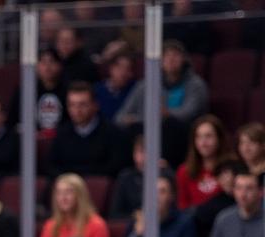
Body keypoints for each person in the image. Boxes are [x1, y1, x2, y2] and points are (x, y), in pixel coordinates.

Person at [116, 39, 208, 167]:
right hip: (147, 131)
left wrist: (167, 114)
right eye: (166, 55)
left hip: (181, 134)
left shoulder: (195, 84)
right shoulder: (145, 85)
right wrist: (135, 119)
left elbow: (190, 112)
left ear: (184, 59)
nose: (171, 59)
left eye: (175, 55)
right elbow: (120, 117)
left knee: (170, 125)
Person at [47, 81, 128, 181]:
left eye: (82, 104)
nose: (77, 110)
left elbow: (114, 169)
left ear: (95, 105)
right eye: (72, 105)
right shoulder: (62, 134)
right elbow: (52, 167)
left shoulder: (113, 133)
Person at [123, 173, 196, 237]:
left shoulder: (185, 223)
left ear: (172, 196)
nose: (156, 196)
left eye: (162, 191)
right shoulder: (136, 223)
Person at [206, 171, 264, 237]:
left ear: (261, 192)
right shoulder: (223, 218)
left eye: (249, 188)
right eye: (238, 188)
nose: (243, 194)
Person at [176, 116, 234, 211]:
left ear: (219, 138)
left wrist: (231, 191)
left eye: (208, 136)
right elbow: (182, 208)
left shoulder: (233, 167)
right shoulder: (184, 171)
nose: (203, 142)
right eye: (198, 137)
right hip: (195, 223)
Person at [9, 48, 66, 138]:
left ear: (59, 65)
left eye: (52, 62)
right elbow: (13, 121)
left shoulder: (67, 90)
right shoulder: (25, 90)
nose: (47, 67)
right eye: (43, 62)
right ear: (36, 66)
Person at [191, 158, 241, 237]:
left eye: (227, 173)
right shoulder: (211, 206)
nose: (225, 179)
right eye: (220, 176)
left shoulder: (251, 201)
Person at [96, 51, 136, 123]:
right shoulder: (97, 90)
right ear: (111, 68)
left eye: (128, 69)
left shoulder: (135, 90)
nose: (123, 72)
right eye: (119, 67)